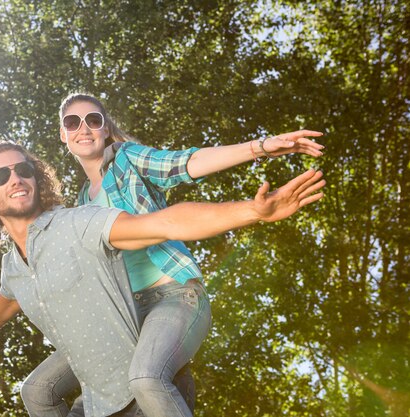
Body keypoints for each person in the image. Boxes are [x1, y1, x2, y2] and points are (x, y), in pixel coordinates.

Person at [0, 140, 325, 417]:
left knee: (143, 376)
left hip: (146, 395)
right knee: (36, 393)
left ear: (36, 178)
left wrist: (252, 212)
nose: (16, 179)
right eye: (1, 176)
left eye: (23, 169)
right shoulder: (14, 267)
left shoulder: (76, 224)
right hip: (99, 404)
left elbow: (162, 223)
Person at [19, 93, 326, 417]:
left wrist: (259, 147)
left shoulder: (128, 160)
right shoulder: (80, 204)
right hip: (126, 315)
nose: (84, 128)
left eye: (93, 120)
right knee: (51, 395)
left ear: (105, 128)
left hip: (174, 296)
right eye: (73, 122)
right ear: (63, 134)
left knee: (146, 377)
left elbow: (185, 163)